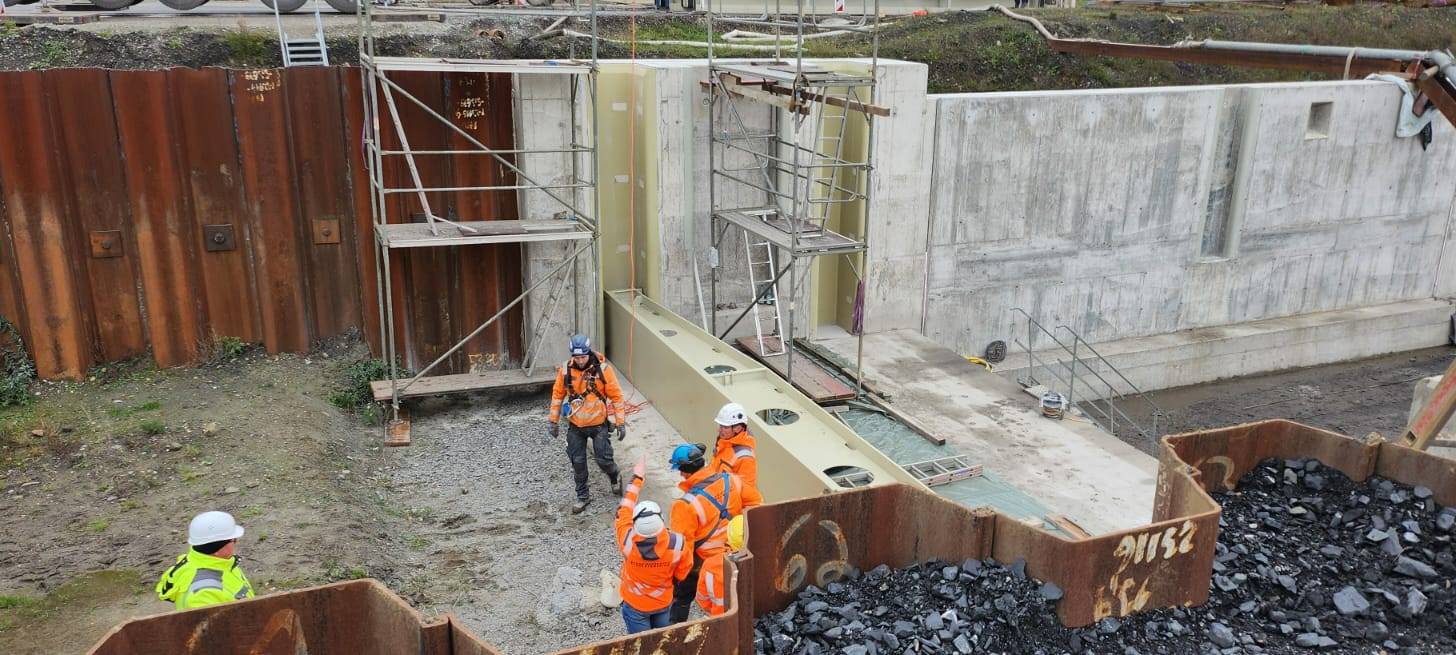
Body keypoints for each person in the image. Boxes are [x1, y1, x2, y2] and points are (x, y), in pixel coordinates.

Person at [666, 443, 762, 623]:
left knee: (682, 596)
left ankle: (676, 627)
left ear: (684, 471)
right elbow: (756, 504)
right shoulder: (731, 480)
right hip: (738, 548)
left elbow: (683, 550)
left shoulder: (685, 505)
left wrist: (676, 578)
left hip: (707, 559)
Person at [548, 334, 627, 514]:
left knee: (604, 460)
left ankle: (614, 476)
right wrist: (553, 421)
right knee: (578, 462)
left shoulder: (603, 370)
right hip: (576, 426)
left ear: (588, 353)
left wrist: (620, 423)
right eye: (576, 357)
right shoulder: (565, 371)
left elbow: (616, 397)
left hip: (599, 425)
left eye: (583, 357)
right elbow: (557, 396)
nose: (580, 360)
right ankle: (582, 496)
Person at [615, 456, 692, 633]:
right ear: (661, 521)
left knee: (641, 642)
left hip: (635, 604)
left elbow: (624, 509)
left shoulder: (627, 541)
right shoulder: (678, 543)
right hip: (663, 601)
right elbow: (683, 571)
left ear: (635, 525)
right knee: (661, 639)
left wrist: (637, 477)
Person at [154, 511, 255, 611]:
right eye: (233, 540)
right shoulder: (203, 594)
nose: (236, 542)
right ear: (216, 549)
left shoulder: (220, 562)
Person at [695, 514, 745, 617]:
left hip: (720, 618)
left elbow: (702, 599)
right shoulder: (767, 561)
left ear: (729, 538)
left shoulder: (711, 565)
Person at [707, 403, 757, 491]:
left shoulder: (746, 458)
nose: (719, 430)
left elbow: (746, 490)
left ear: (738, 428)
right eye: (720, 426)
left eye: (725, 427)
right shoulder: (724, 441)